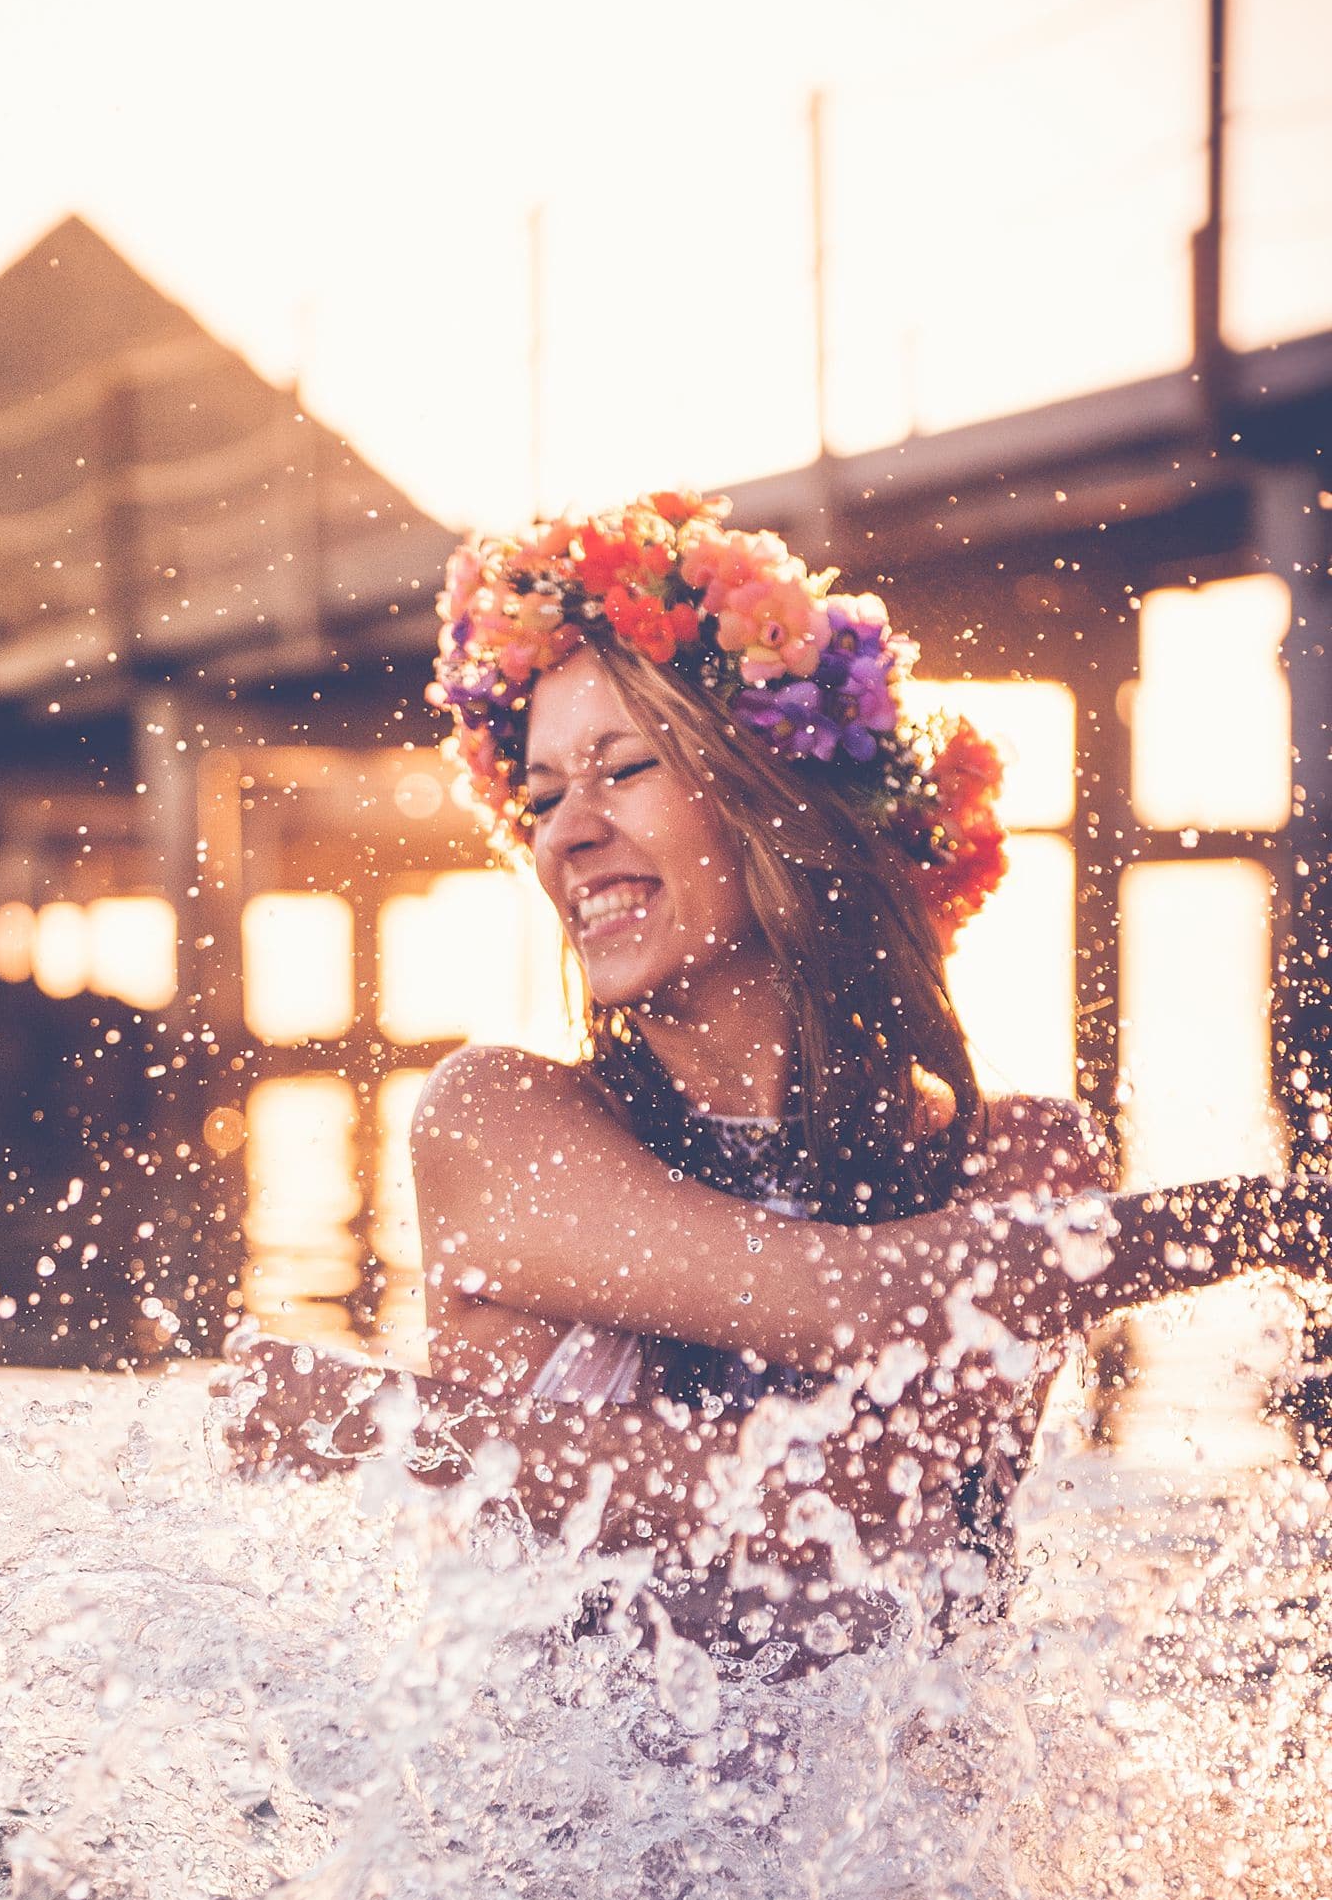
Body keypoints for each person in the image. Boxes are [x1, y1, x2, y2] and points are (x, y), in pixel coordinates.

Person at [222, 491, 1327, 1658]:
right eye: (542, 797)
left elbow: (873, 1501)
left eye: (623, 769)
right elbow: (857, 1344)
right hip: (549, 1840)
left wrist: (387, 1422)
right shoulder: (500, 1124)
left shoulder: (1019, 1159)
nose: (568, 833)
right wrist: (1269, 1219)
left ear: (771, 798)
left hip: (890, 1839)